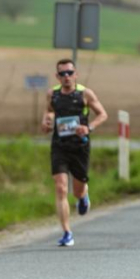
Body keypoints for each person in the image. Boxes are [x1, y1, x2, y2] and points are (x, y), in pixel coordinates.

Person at [41, 59, 108, 247]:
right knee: (61, 187)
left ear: (76, 74)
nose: (66, 77)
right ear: (57, 77)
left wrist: (89, 127)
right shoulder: (52, 95)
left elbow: (102, 114)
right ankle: (66, 232)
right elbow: (48, 113)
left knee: (77, 188)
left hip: (80, 146)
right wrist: (46, 123)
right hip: (59, 146)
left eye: (69, 73)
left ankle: (82, 196)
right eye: (62, 74)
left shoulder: (84, 94)